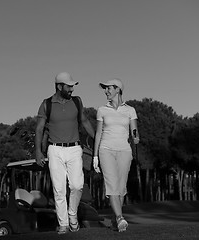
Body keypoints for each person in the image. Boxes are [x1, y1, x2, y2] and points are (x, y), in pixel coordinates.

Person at [35, 72, 95, 234]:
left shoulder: (77, 101)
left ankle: (72, 214)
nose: (71, 89)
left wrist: (96, 138)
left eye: (72, 86)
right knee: (59, 189)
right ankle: (63, 223)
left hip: (75, 149)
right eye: (68, 86)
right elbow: (39, 129)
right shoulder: (46, 104)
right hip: (54, 150)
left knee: (77, 185)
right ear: (59, 86)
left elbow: (84, 121)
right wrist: (38, 152)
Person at [92, 78, 139, 232]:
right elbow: (98, 133)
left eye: (109, 88)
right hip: (105, 150)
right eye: (105, 89)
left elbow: (134, 130)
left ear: (118, 89)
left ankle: (115, 218)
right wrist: (95, 156)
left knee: (120, 188)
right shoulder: (102, 110)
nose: (106, 91)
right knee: (112, 186)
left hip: (125, 151)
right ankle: (120, 218)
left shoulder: (130, 110)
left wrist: (136, 137)